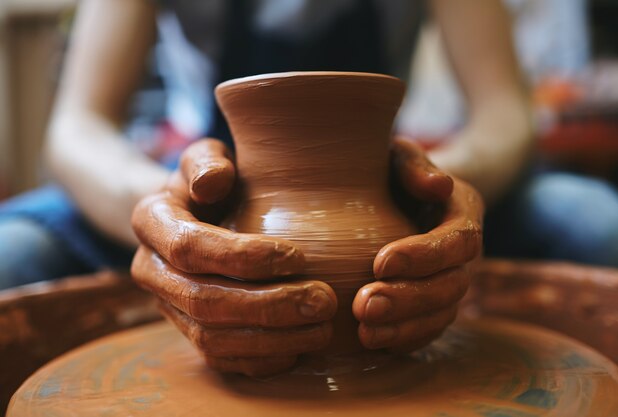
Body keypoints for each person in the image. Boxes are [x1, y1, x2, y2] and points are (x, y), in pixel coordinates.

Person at [0, 0, 530, 374]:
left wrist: (444, 191)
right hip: (207, 187)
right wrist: (164, 211)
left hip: (389, 185)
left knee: (594, 223)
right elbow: (77, 126)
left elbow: (504, 111)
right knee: (11, 255)